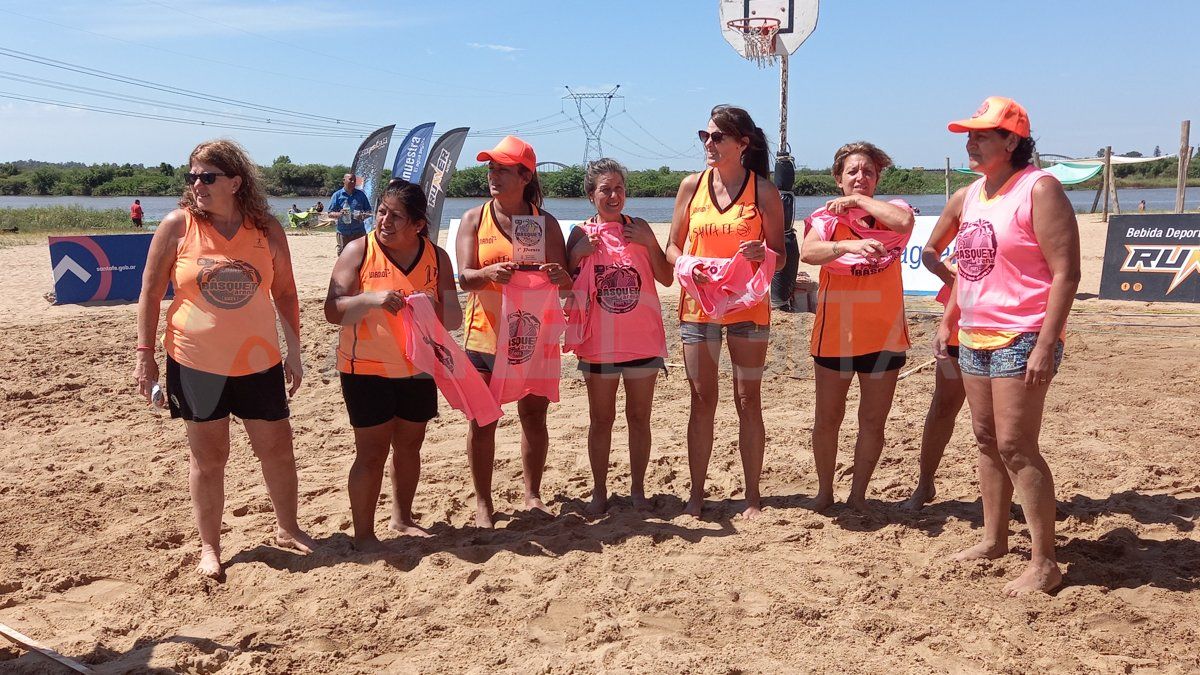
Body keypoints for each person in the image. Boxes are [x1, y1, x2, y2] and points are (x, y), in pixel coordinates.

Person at [133, 139, 315, 578]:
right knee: (209, 457)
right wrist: (145, 357)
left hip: (259, 361)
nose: (197, 184)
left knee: (276, 449)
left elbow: (286, 293)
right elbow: (151, 294)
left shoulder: (267, 229)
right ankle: (210, 548)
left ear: (235, 182)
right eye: (192, 176)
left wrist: (294, 349)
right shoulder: (178, 226)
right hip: (196, 362)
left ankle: (288, 527)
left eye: (207, 177)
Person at [935, 96, 1080, 596]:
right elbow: (972, 269)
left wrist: (1045, 343)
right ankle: (994, 538)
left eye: (981, 135)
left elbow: (1066, 271)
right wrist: (952, 315)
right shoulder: (975, 193)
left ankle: (1044, 562)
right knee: (986, 441)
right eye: (968, 136)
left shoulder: (1039, 189)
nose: (970, 143)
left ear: (1012, 141)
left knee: (1017, 445)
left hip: (1023, 334)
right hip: (976, 334)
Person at [325, 179, 460, 550]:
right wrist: (370, 299)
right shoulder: (358, 250)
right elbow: (332, 310)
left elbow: (454, 317)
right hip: (365, 367)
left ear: (418, 224)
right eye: (382, 211)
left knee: (409, 447)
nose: (384, 220)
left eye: (395, 215)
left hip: (418, 366)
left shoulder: (436, 257)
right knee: (371, 452)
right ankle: (364, 534)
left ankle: (402, 518)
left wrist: (428, 307)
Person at [665, 105, 785, 519]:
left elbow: (783, 258)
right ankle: (696, 495)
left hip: (748, 308)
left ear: (742, 143)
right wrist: (687, 264)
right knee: (701, 399)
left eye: (717, 137)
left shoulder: (763, 191)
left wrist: (761, 253)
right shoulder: (690, 187)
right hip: (698, 309)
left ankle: (753, 497)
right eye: (705, 135)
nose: (709, 144)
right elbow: (672, 247)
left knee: (748, 399)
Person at [455, 135, 571, 527]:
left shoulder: (544, 223)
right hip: (483, 335)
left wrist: (559, 274)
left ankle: (532, 494)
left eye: (503, 169)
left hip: (531, 337)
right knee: (483, 420)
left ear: (525, 176)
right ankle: (484, 504)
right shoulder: (475, 218)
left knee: (534, 416)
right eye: (491, 168)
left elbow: (566, 280)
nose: (493, 175)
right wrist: (486, 274)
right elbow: (464, 278)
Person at [800, 142, 915, 512]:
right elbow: (808, 252)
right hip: (836, 334)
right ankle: (824, 491)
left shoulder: (893, 209)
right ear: (838, 178)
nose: (860, 177)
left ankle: (859, 494)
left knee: (872, 421)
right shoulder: (825, 218)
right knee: (828, 419)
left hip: (884, 335)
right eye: (852, 172)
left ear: (877, 178)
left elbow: (905, 223)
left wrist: (858, 202)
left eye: (867, 172)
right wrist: (847, 246)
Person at [565, 158, 673, 515]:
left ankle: (638, 490)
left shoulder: (639, 226)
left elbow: (666, 277)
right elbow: (563, 284)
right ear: (590, 194)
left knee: (640, 418)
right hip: (599, 342)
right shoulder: (580, 233)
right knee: (601, 419)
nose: (614, 195)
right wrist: (574, 257)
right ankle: (599, 491)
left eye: (619, 189)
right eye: (605, 189)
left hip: (642, 337)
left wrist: (649, 243)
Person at [903, 201, 967, 510]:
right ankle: (925, 483)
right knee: (944, 404)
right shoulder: (967, 197)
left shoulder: (1030, 191)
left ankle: (1002, 496)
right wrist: (947, 273)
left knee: (997, 420)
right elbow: (930, 252)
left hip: (1003, 322)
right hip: (958, 323)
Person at [329, 173, 372, 254]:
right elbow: (330, 213)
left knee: (361, 255)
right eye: (350, 179)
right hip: (343, 233)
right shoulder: (337, 195)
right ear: (344, 181)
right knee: (344, 256)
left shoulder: (361, 195)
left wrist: (363, 216)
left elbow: (369, 211)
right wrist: (340, 214)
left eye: (354, 180)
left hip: (359, 232)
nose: (353, 182)